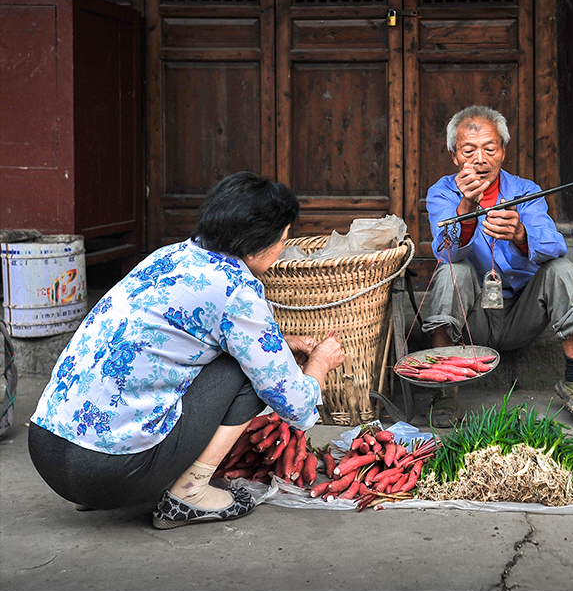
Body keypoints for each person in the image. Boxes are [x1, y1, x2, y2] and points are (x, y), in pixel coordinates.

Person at [28, 172, 346, 528]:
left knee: (238, 358)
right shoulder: (236, 291)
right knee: (243, 372)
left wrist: (278, 344)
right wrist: (318, 363)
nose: (281, 251)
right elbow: (296, 407)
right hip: (108, 473)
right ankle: (190, 495)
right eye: (283, 241)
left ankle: (112, 489)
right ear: (259, 242)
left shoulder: (168, 257)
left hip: (46, 450)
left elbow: (172, 337)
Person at [423, 105, 573, 428]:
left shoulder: (525, 192)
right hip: (473, 318)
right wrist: (466, 208)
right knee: (452, 271)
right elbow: (445, 251)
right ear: (454, 156)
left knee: (562, 269)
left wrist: (520, 233)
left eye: (489, 149)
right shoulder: (442, 193)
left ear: (502, 152)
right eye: (468, 150)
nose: (480, 159)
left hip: (521, 314)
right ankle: (443, 388)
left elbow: (555, 244)